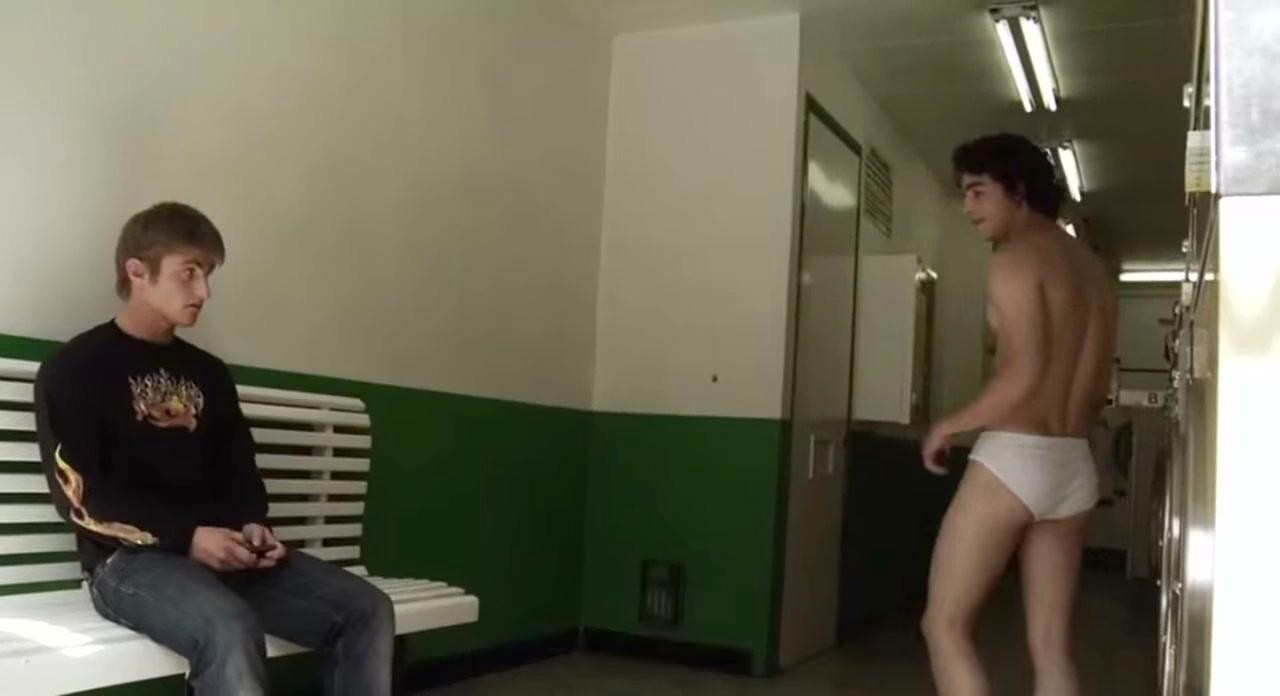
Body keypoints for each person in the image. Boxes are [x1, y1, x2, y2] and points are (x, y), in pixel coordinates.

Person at [34, 202, 395, 696]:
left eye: (208, 274)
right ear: (137, 272)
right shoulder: (75, 369)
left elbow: (239, 470)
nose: (204, 291)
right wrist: (187, 539)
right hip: (129, 563)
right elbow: (80, 499)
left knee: (366, 609)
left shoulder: (209, 373)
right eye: (189, 272)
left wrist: (253, 527)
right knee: (228, 627)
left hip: (226, 553)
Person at [919, 134, 1117, 696]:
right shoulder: (1093, 271)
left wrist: (948, 424)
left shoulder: (1014, 259)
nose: (968, 208)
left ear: (1019, 191)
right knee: (1052, 649)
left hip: (1015, 459)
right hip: (1073, 463)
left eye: (978, 192)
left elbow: (1024, 373)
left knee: (944, 625)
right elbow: (1096, 385)